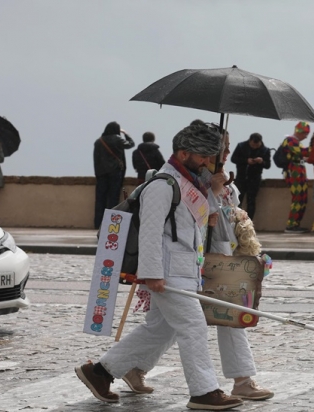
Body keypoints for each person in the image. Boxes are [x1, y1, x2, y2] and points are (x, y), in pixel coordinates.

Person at [75, 123, 243, 411]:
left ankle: (100, 373)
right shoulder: (163, 184)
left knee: (159, 330)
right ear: (183, 152)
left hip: (184, 270)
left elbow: (200, 222)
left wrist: (213, 196)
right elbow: (150, 232)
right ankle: (204, 391)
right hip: (166, 272)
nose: (206, 161)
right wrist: (151, 273)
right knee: (193, 327)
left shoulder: (190, 183)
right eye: (202, 156)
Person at [205, 130, 274, 401]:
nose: (226, 152)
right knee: (171, 323)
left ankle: (242, 379)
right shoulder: (195, 180)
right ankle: (114, 368)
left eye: (228, 147)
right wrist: (212, 191)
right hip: (201, 258)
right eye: (222, 147)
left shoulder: (227, 183)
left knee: (229, 316)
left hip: (224, 257)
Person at [93, 121, 135, 229]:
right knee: (113, 198)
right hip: (115, 173)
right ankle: (110, 223)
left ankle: (98, 223)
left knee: (100, 199)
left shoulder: (99, 142)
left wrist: (98, 174)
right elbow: (131, 144)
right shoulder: (118, 139)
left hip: (101, 174)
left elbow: (96, 160)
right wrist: (125, 133)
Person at [230, 132, 270, 220]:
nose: (254, 147)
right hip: (241, 177)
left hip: (254, 179)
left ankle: (249, 221)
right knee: (237, 200)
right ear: (249, 141)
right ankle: (235, 220)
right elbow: (233, 159)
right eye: (252, 145)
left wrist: (261, 161)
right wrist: (246, 161)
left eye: (256, 145)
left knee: (251, 201)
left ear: (260, 143)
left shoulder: (265, 150)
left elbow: (268, 165)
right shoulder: (241, 146)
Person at [281, 121, 311, 233]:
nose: (306, 136)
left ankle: (296, 223)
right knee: (298, 198)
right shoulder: (290, 141)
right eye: (305, 133)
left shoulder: (297, 142)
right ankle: (291, 225)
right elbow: (303, 152)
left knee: (303, 199)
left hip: (300, 173)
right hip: (293, 174)